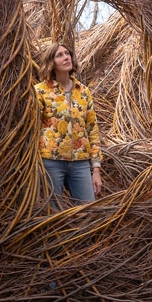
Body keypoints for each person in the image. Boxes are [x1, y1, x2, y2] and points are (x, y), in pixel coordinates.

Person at [35, 41, 103, 205]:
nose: (66, 57)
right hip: (51, 162)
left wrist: (96, 169)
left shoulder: (83, 91)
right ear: (51, 63)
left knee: (88, 210)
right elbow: (33, 128)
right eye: (59, 55)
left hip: (80, 162)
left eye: (67, 53)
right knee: (51, 213)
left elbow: (92, 129)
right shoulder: (40, 91)